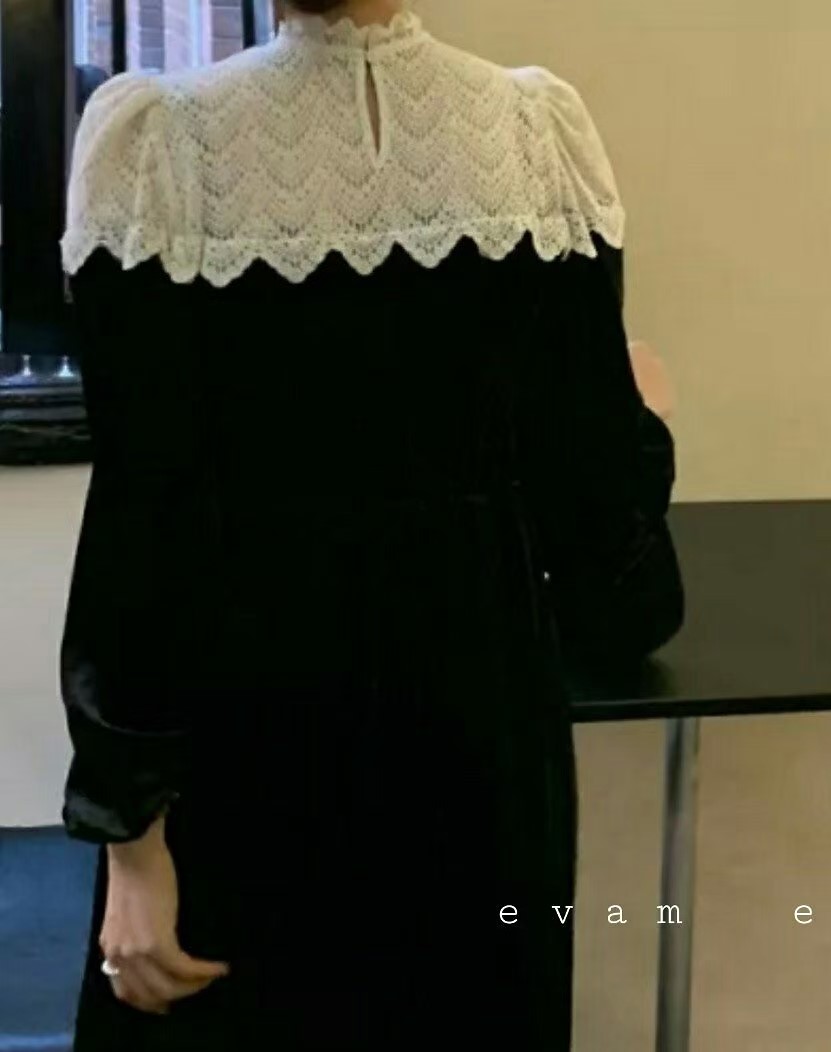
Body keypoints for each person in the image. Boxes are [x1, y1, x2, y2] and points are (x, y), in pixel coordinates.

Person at [57, 0, 684, 1049]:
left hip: (242, 758)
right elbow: (605, 552)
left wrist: (129, 834)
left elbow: (143, 529)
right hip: (479, 757)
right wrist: (646, 423)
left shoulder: (165, 146)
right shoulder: (533, 138)